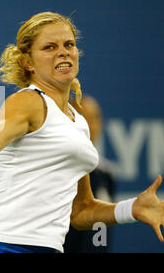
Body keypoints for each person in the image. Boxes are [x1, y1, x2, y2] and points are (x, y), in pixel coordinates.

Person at [0, 12, 164, 253]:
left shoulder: (79, 124)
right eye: (50, 47)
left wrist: (132, 209)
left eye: (68, 44)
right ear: (28, 62)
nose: (63, 52)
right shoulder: (27, 101)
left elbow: (81, 211)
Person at [64, 95, 116, 252]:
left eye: (94, 119)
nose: (89, 126)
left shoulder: (106, 174)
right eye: (82, 118)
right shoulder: (57, 172)